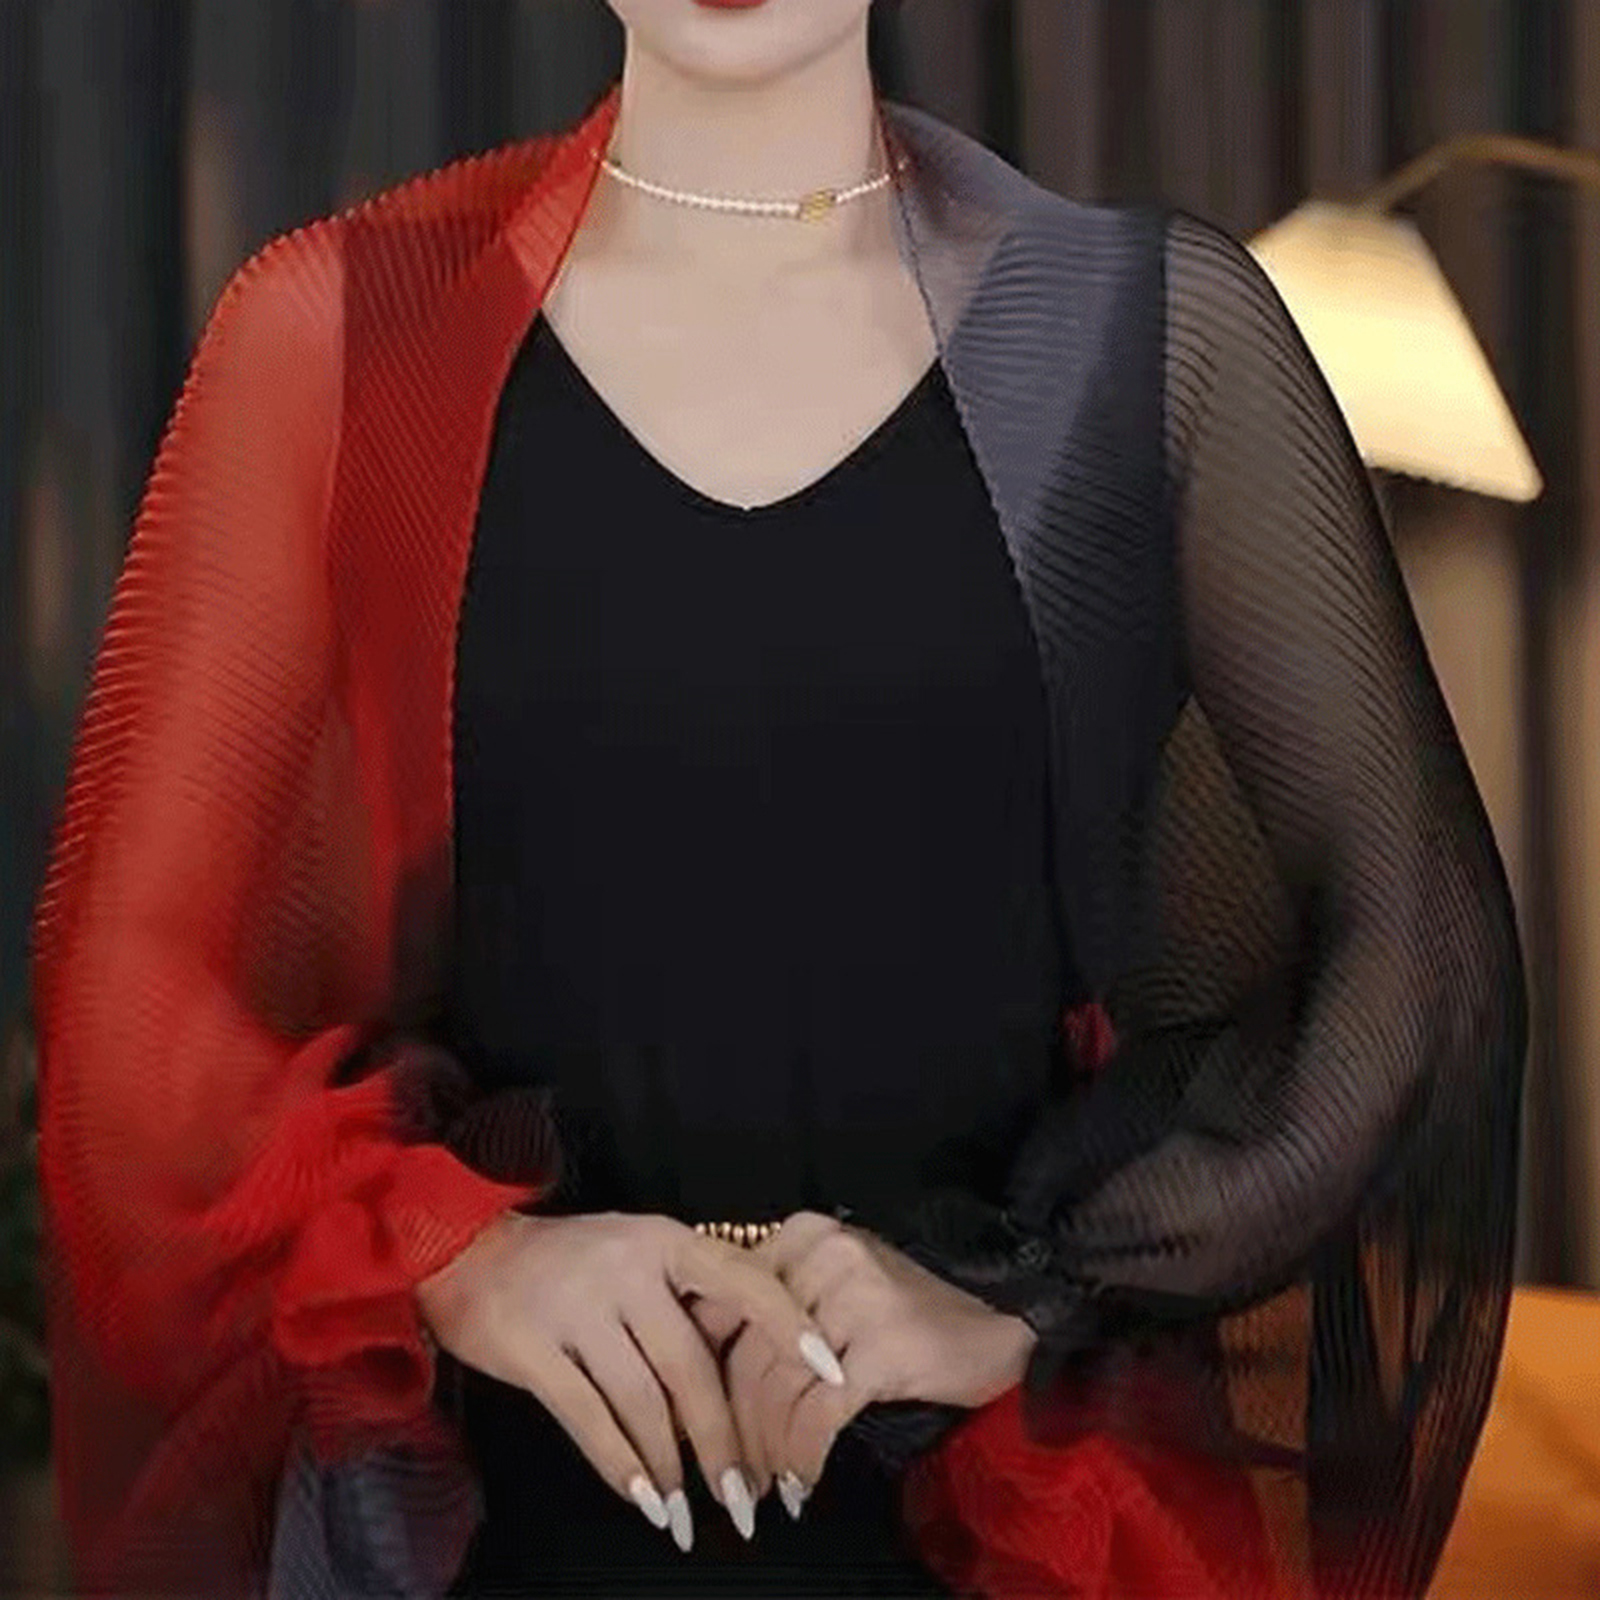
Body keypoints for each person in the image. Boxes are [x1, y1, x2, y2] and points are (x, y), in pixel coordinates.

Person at [30, 1, 1527, 1596]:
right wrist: (457, 1253)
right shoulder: (344, 333)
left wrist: (1030, 1292)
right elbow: (134, 998)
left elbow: (1418, 943)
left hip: (993, 1527)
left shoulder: (1144, 336)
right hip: (504, 1519)